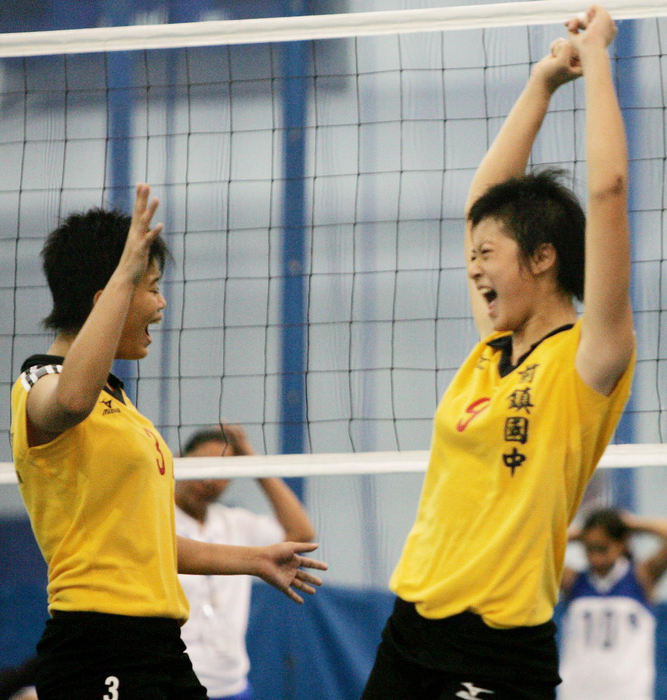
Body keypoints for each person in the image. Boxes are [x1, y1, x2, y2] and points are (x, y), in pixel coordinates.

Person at [361, 5, 635, 700]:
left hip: (496, 652)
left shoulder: (589, 357)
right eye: (472, 254)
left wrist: (596, 54)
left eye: (489, 254)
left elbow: (605, 194)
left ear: (543, 259)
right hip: (409, 633)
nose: (473, 266)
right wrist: (542, 83)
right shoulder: (488, 350)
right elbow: (483, 201)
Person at [9, 185, 327, 700]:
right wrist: (123, 274)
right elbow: (67, 402)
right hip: (100, 645)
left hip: (157, 646)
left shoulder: (121, 407)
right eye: (151, 286)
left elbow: (147, 544)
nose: (161, 304)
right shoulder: (40, 384)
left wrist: (253, 560)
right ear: (106, 297)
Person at [175, 424, 315, 700]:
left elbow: (302, 532)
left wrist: (251, 461)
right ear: (180, 460)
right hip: (177, 680)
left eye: (223, 472)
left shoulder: (235, 523)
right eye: (203, 466)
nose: (210, 480)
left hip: (231, 685)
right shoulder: (154, 521)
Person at [558, 509, 667, 699]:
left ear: (621, 545)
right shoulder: (573, 581)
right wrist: (581, 532)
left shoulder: (641, 577)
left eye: (602, 548)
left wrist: (631, 524)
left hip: (629, 691)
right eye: (589, 549)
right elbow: (539, 548)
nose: (595, 557)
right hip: (578, 690)